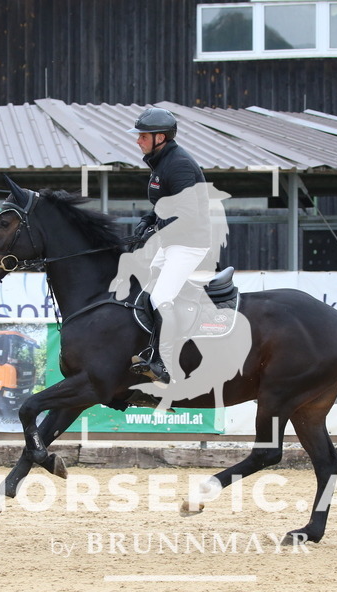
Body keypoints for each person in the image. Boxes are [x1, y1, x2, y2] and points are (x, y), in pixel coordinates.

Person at [124, 107, 211, 385]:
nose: (138, 140)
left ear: (160, 137)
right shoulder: (161, 161)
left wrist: (155, 227)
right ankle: (150, 349)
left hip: (189, 244)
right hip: (173, 242)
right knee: (146, 293)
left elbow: (187, 213)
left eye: (143, 136)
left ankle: (166, 364)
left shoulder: (179, 164)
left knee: (160, 298)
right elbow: (165, 204)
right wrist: (148, 219)